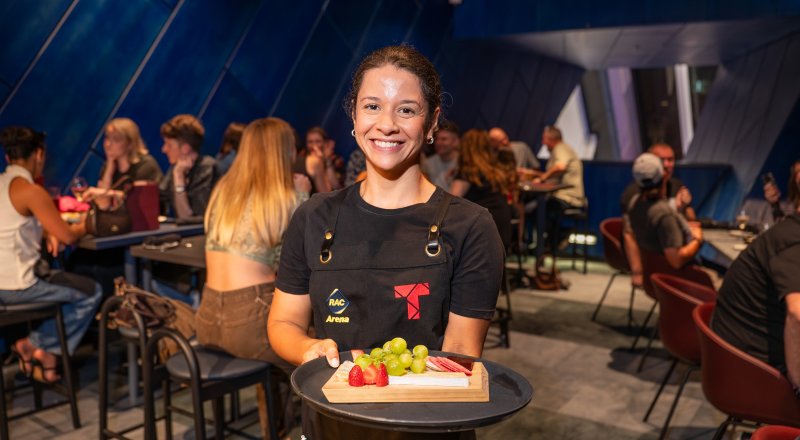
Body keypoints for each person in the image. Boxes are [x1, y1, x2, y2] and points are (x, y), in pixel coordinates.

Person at [267, 45, 504, 439]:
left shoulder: (471, 227)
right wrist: (308, 349)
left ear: (432, 123)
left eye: (407, 109)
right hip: (329, 424)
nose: (387, 124)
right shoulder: (313, 216)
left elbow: (461, 352)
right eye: (372, 106)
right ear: (355, 117)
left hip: (425, 427)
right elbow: (283, 322)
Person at [168, 117, 311, 437]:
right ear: (283, 151)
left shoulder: (223, 192)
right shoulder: (286, 197)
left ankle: (273, 421)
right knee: (317, 353)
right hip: (250, 319)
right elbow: (290, 265)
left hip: (207, 319)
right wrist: (304, 198)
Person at [0, 126, 102, 383]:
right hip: (18, 287)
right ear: (39, 155)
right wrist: (86, 225)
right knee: (92, 293)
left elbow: (13, 224)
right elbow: (68, 236)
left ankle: (44, 355)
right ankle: (41, 347)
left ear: (7, 158)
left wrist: (48, 231)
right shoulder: (31, 190)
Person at [711, 200, 800, 393]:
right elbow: (797, 315)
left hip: (739, 354)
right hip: (754, 371)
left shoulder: (787, 230)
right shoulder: (794, 241)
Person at [625, 153, 703, 269]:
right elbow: (676, 260)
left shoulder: (634, 202)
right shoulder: (665, 215)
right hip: (676, 278)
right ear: (663, 176)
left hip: (654, 275)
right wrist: (697, 240)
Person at [450, 129, 515, 248]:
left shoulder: (468, 172)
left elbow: (452, 202)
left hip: (483, 234)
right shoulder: (494, 170)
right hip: (501, 231)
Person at [85, 117, 163, 208]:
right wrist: (109, 168)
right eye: (107, 138)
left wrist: (108, 193)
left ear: (130, 144)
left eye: (116, 139)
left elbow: (135, 199)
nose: (108, 144)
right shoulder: (109, 165)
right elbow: (103, 205)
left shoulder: (146, 165)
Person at [158, 114, 218, 220]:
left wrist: (179, 178)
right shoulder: (176, 167)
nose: (164, 149)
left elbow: (189, 218)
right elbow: (160, 198)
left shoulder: (207, 168)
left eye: (169, 144)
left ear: (185, 148)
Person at [620, 143, 696, 220]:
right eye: (661, 160)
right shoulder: (633, 192)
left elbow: (692, 219)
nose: (666, 165)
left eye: (670, 160)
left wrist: (685, 205)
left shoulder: (677, 185)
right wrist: (676, 206)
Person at [294, 127, 341, 193]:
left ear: (325, 143)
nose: (314, 145)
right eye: (310, 142)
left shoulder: (335, 160)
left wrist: (326, 161)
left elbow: (336, 187)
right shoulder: (302, 159)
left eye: (318, 141)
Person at [422, 119, 460, 189]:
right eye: (436, 139)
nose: (438, 143)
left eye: (444, 139)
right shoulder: (429, 163)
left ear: (455, 141)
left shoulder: (464, 163)